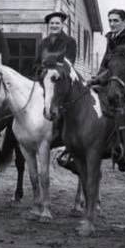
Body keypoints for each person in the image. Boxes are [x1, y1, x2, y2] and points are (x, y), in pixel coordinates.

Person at [92, 8, 125, 171]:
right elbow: (106, 60)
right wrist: (96, 78)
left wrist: (103, 78)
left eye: (116, 20)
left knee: (121, 106)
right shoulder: (111, 38)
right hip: (111, 77)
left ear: (124, 21)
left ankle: (124, 151)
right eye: (110, 20)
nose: (112, 24)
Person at [36, 11, 78, 153]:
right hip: (45, 77)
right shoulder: (43, 43)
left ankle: (60, 135)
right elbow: (36, 63)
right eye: (52, 23)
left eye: (57, 23)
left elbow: (69, 62)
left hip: (62, 78)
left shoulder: (70, 42)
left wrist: (57, 70)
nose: (54, 26)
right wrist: (40, 71)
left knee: (61, 101)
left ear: (62, 25)